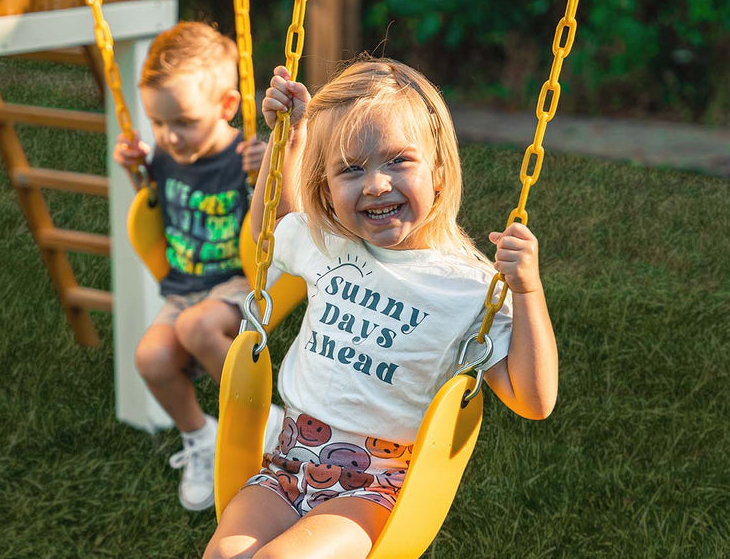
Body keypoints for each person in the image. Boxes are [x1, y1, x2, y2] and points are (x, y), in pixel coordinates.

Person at [205, 58, 558, 558]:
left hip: (372, 486)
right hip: (286, 462)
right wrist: (291, 137)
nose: (375, 184)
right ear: (325, 189)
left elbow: (533, 399)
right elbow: (269, 232)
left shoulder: (467, 286)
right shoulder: (328, 243)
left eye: (397, 161)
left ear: (438, 170)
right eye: (351, 169)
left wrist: (527, 292)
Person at [112, 21, 284, 512]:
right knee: (151, 358)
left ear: (226, 106)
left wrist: (271, 161)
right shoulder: (164, 156)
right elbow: (153, 207)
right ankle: (201, 437)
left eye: (183, 121)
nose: (169, 135)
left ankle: (264, 423)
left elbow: (282, 211)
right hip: (184, 288)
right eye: (157, 121)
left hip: (236, 281)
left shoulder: (243, 157)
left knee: (197, 328)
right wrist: (135, 169)